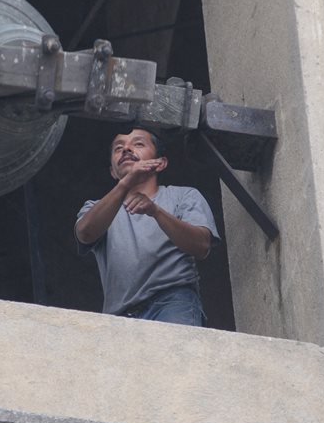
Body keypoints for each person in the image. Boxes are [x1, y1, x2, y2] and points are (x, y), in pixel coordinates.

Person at [74, 126, 219, 326]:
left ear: (160, 163)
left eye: (138, 144)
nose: (126, 150)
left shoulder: (183, 196)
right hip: (119, 316)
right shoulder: (95, 208)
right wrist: (125, 184)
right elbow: (85, 233)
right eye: (118, 148)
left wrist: (155, 211)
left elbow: (201, 246)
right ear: (112, 172)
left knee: (174, 357)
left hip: (173, 302)